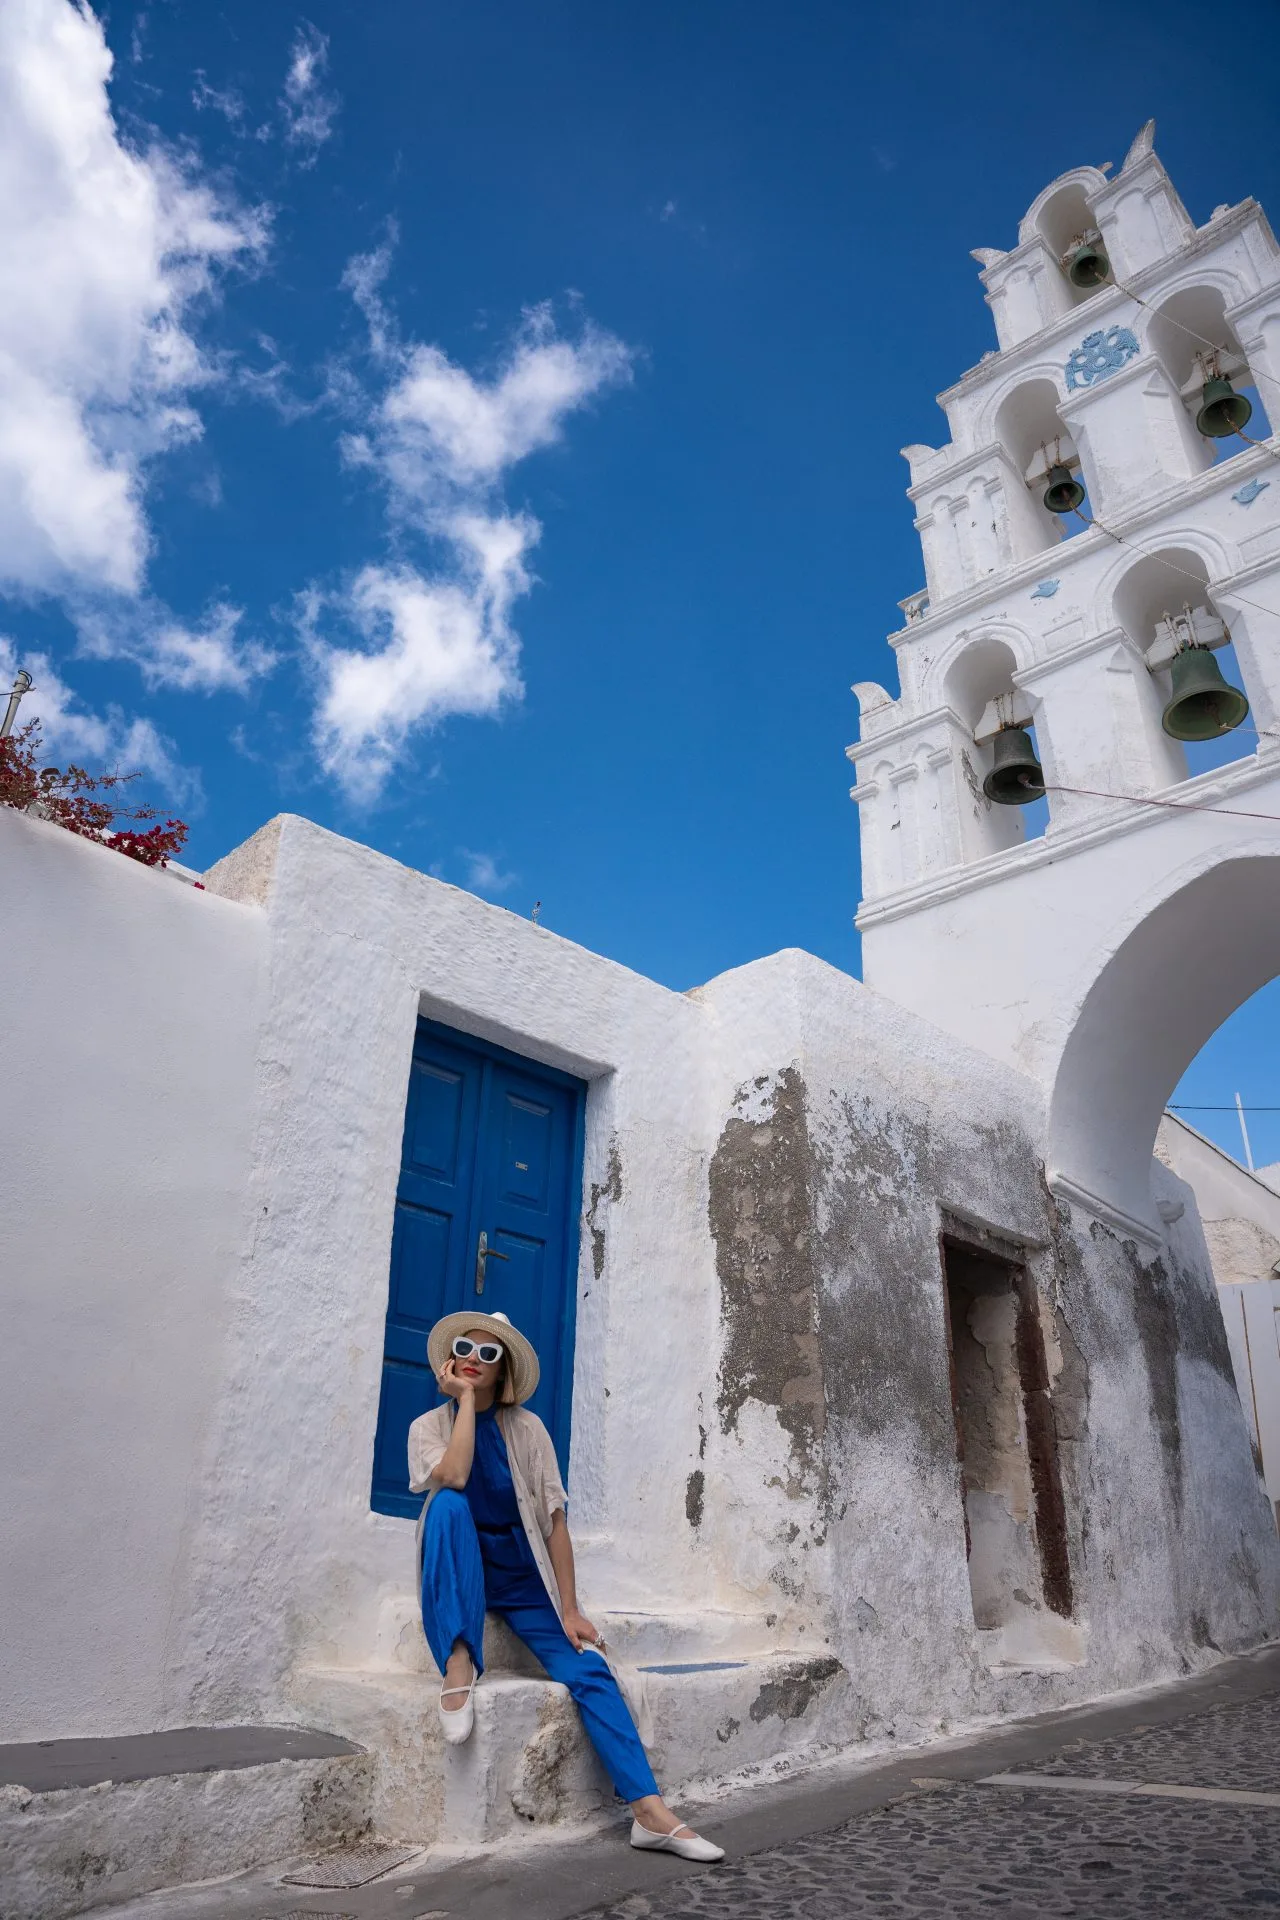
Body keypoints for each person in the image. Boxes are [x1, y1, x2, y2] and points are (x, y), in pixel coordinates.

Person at [409, 1309, 725, 1863]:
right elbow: (455, 1474)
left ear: (503, 1370)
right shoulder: (427, 1428)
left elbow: (553, 1521)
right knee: (446, 1505)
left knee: (590, 1670)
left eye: (490, 1354)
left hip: (524, 1578)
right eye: (466, 1348)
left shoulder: (528, 1429)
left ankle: (650, 1812)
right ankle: (458, 1658)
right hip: (464, 1570)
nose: (475, 1360)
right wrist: (461, 1403)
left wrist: (571, 1608)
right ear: (449, 1359)